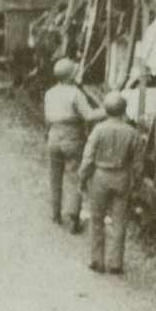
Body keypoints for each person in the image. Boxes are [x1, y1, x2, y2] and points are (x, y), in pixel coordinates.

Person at [79, 91, 143, 274]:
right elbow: (138, 165)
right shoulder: (133, 133)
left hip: (100, 177)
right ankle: (115, 263)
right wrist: (136, 184)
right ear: (124, 110)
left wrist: (82, 178)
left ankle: (97, 261)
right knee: (119, 221)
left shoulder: (98, 130)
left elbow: (88, 158)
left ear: (106, 110)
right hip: (122, 178)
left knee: (97, 219)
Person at [44, 58, 101, 233]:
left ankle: (55, 214)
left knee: (55, 176)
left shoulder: (49, 93)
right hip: (73, 138)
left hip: (54, 136)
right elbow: (89, 116)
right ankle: (73, 219)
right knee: (74, 177)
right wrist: (108, 110)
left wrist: (48, 135)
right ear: (71, 76)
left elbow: (47, 119)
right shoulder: (75, 93)